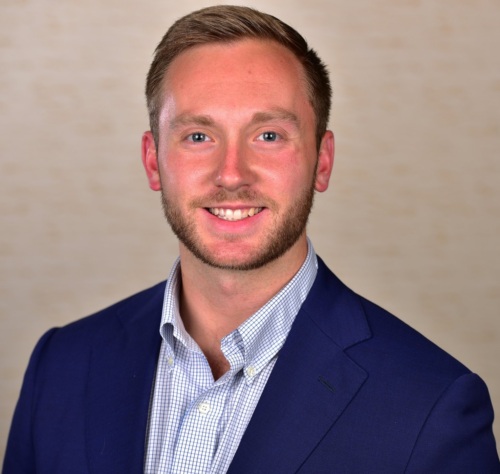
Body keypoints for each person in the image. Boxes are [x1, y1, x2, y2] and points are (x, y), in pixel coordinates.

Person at [3, 5, 499, 473]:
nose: (232, 174)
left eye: (269, 136)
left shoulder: (432, 405)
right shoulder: (61, 365)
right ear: (154, 161)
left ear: (321, 161)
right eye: (198, 136)